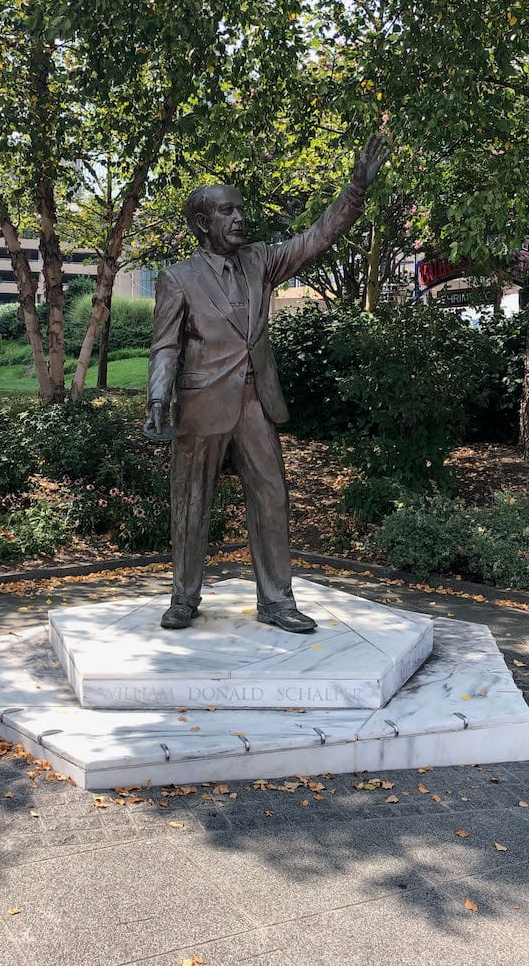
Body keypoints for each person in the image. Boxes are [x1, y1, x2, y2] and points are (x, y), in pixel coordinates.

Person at [144, 135, 389, 632]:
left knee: (273, 494)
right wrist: (156, 399)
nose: (239, 219)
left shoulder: (260, 261)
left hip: (256, 401)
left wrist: (355, 191)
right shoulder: (178, 278)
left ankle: (277, 600)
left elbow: (317, 237)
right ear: (201, 222)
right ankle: (184, 597)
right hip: (201, 402)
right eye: (226, 211)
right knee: (192, 501)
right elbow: (165, 346)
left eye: (240, 210)